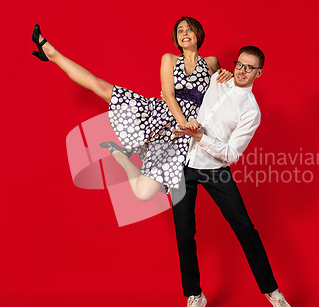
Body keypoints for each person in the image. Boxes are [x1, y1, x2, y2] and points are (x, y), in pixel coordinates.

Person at [31, 17, 232, 201]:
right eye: (180, 31)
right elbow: (169, 95)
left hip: (185, 132)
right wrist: (184, 123)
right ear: (176, 39)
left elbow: (219, 97)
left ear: (198, 34)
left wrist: (229, 75)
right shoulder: (169, 59)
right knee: (102, 87)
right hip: (164, 117)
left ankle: (119, 154)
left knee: (143, 194)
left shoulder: (211, 62)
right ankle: (52, 53)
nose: (184, 33)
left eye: (189, 29)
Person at [172, 46, 295, 307]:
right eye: (239, 64)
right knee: (183, 232)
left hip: (216, 169)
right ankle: (195, 295)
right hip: (184, 164)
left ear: (259, 73)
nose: (242, 70)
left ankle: (274, 294)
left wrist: (200, 136)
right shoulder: (218, 78)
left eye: (249, 67)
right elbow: (188, 84)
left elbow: (231, 154)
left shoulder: (251, 111)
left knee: (245, 229)